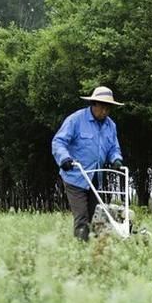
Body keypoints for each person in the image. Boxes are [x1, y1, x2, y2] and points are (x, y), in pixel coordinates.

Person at [52, 86, 124, 241]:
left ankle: (97, 249)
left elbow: (113, 148)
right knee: (82, 217)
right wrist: (64, 158)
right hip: (75, 176)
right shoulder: (76, 119)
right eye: (102, 107)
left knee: (97, 217)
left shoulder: (110, 125)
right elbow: (59, 142)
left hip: (95, 179)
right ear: (93, 104)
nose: (105, 112)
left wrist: (116, 159)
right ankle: (80, 252)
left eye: (108, 108)